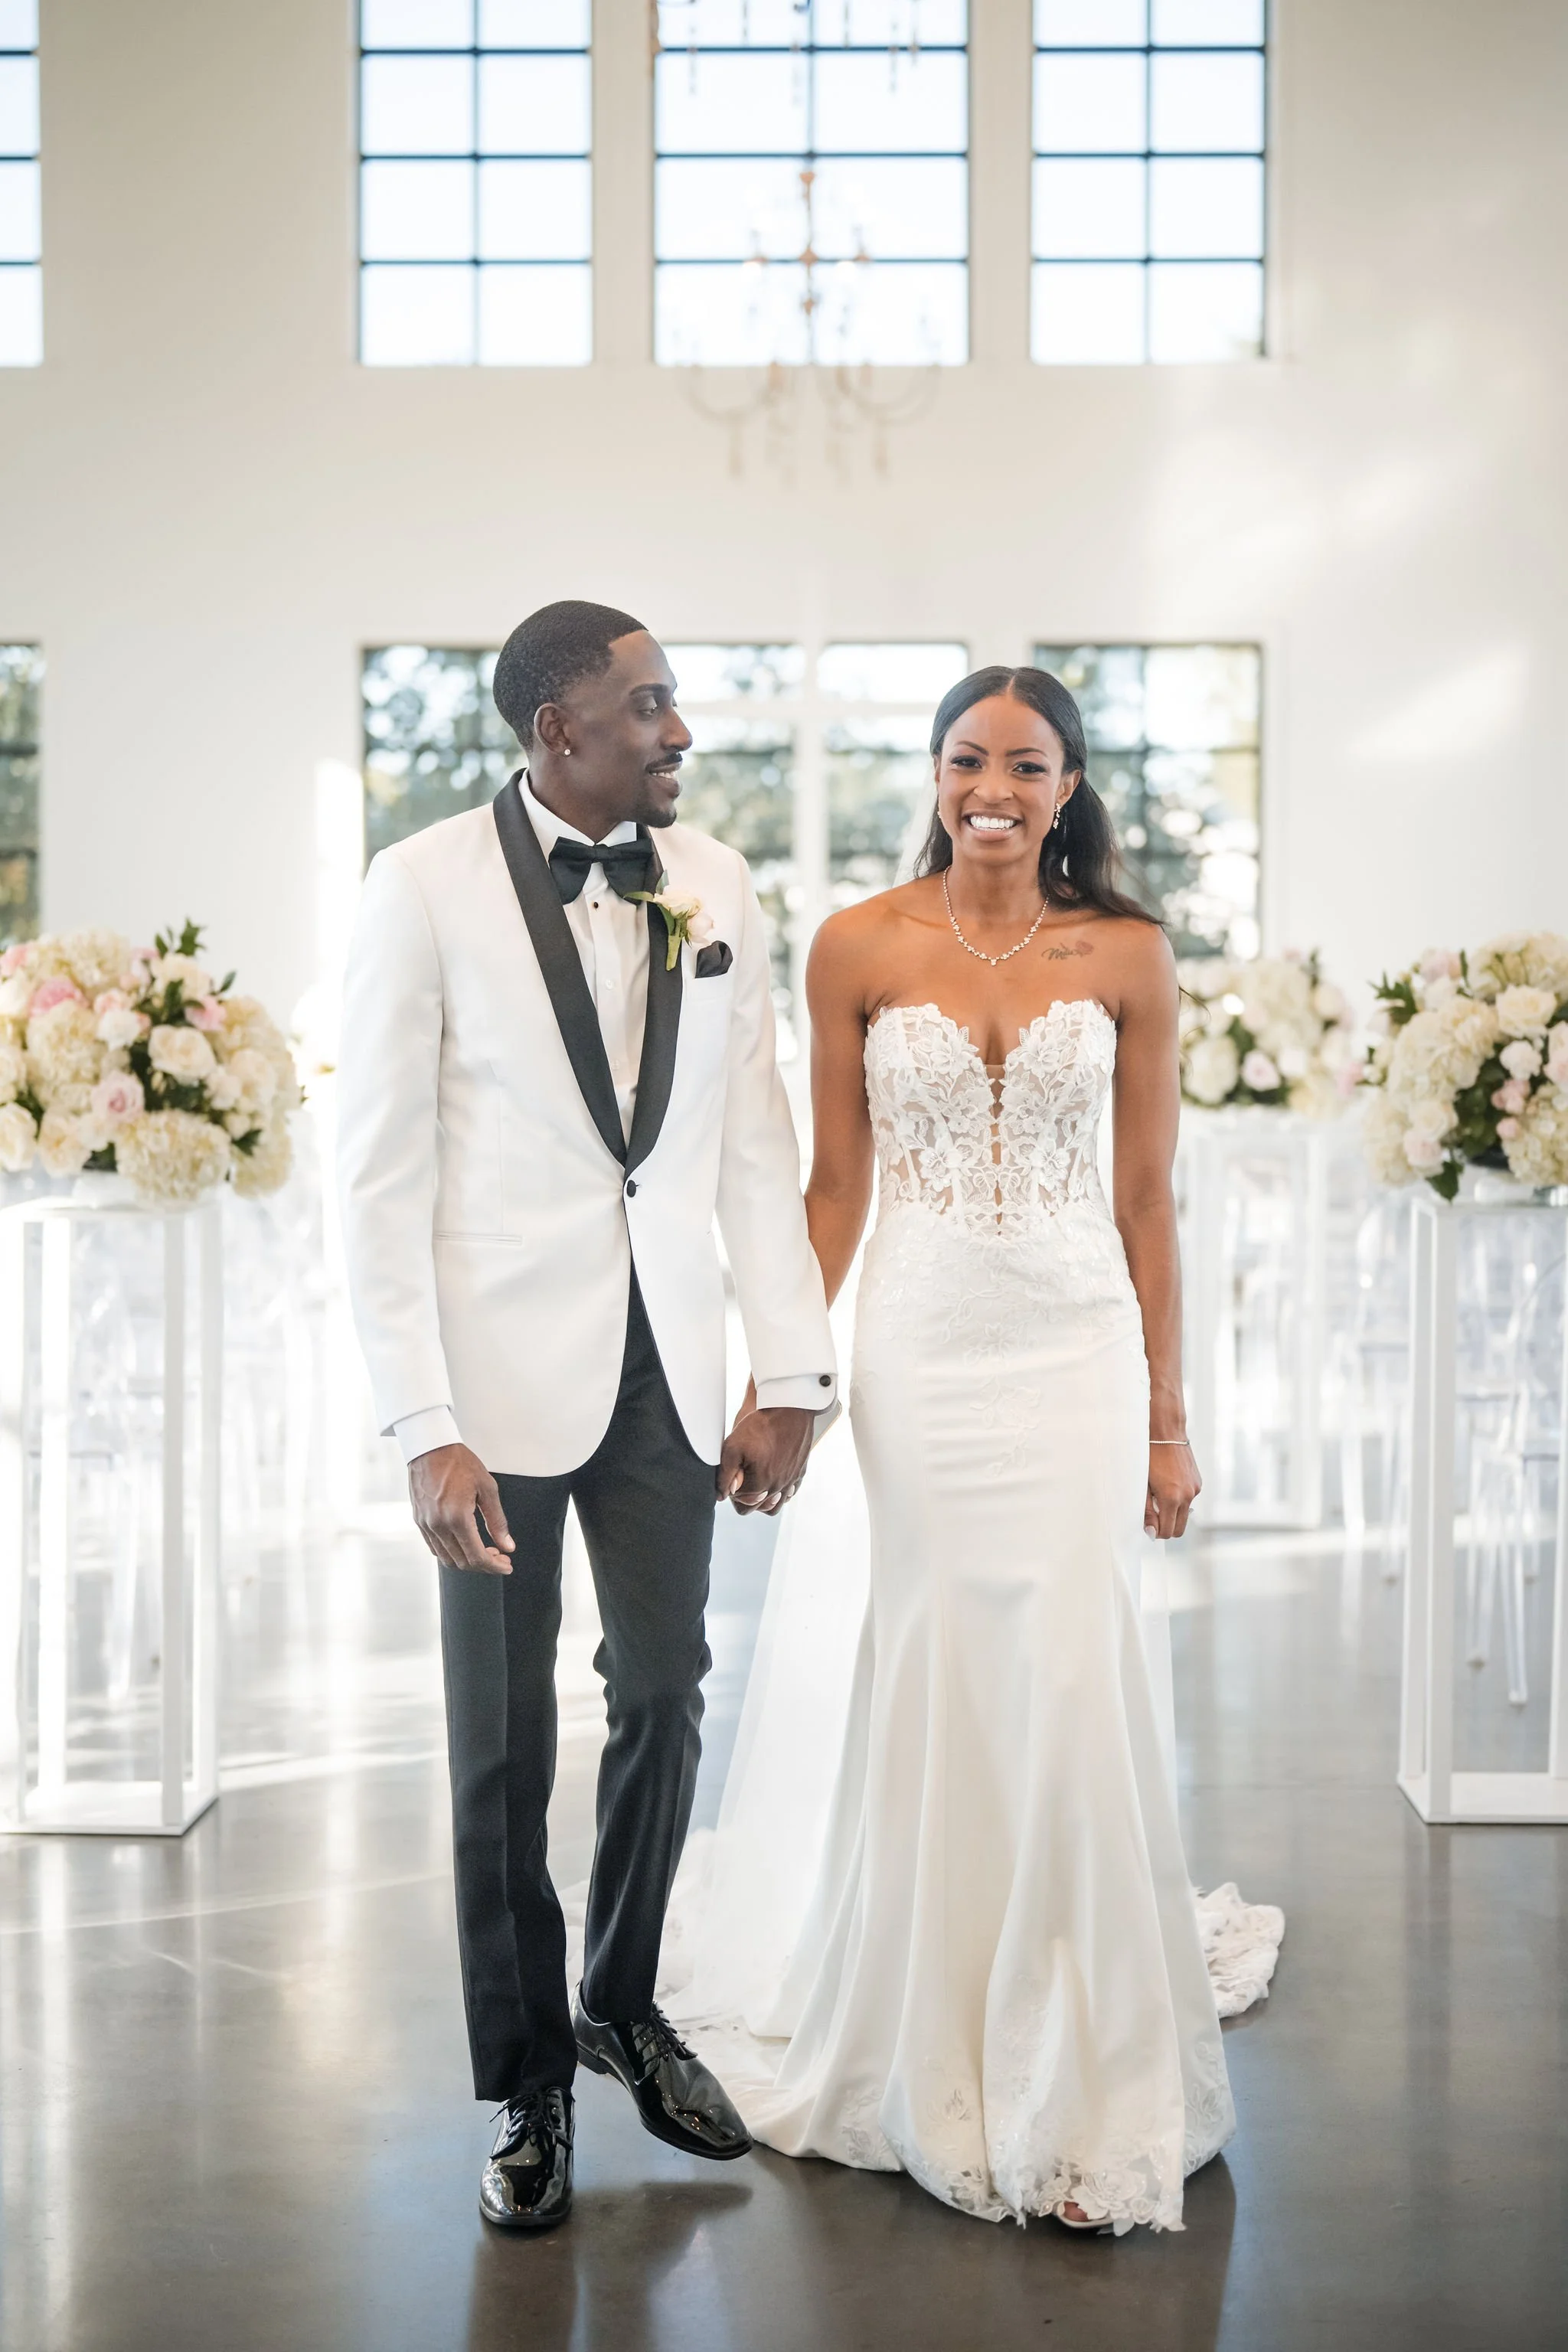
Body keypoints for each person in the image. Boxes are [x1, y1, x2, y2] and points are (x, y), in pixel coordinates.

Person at [672, 665, 1282, 2234]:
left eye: (1023, 762)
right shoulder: (857, 945)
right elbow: (831, 1190)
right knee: (944, 1652)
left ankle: (1081, 2055)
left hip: (1075, 1342)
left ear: (1070, 782)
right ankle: (928, 2036)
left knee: (1074, 1667)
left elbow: (1150, 1200)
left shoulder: (1131, 954)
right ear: (934, 774)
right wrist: (783, 1377)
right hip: (925, 1352)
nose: (990, 786)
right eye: (964, 759)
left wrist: (1166, 1413)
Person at [335, 602, 835, 2233]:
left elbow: (754, 1143)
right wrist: (424, 1423)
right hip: (491, 1385)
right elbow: (379, 1181)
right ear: (559, 731)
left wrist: (790, 1368)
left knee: (668, 1692)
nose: (681, 731)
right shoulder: (417, 887)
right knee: (498, 1747)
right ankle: (526, 2083)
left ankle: (620, 2002)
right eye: (651, 707)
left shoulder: (720, 884)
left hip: (671, 1367)